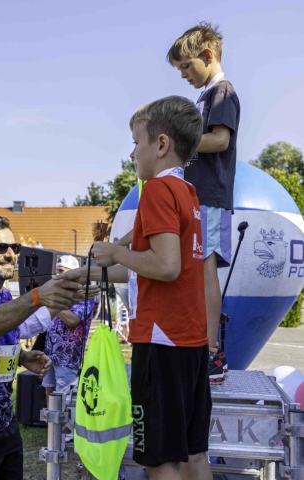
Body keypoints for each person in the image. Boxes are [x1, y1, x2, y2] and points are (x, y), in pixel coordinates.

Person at [59, 96, 212, 480]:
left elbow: (165, 266)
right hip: (190, 342)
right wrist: (90, 272)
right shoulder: (189, 194)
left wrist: (114, 250)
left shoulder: (157, 192)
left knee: (159, 462)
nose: (131, 153)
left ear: (161, 145)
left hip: (161, 342)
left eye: (135, 142)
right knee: (194, 455)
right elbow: (150, 270)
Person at [0, 216, 99, 480]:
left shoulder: (3, 295)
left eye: (14, 247)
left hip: (4, 421)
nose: (10, 254)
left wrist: (22, 356)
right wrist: (37, 297)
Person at [167, 22, 241, 383]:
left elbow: (219, 140)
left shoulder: (221, 92)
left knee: (205, 266)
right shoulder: (203, 97)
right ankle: (200, 344)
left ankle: (211, 351)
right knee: (194, 268)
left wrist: (179, 144)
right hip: (196, 196)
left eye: (186, 67)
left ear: (207, 56)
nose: (183, 75)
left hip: (211, 195)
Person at [42, 255, 95, 403]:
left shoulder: (84, 296)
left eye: (63, 271)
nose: (59, 275)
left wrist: (53, 303)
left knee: (65, 395)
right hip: (49, 353)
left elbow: (72, 320)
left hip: (68, 356)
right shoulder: (56, 294)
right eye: (58, 271)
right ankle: (51, 425)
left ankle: (67, 426)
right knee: (49, 390)